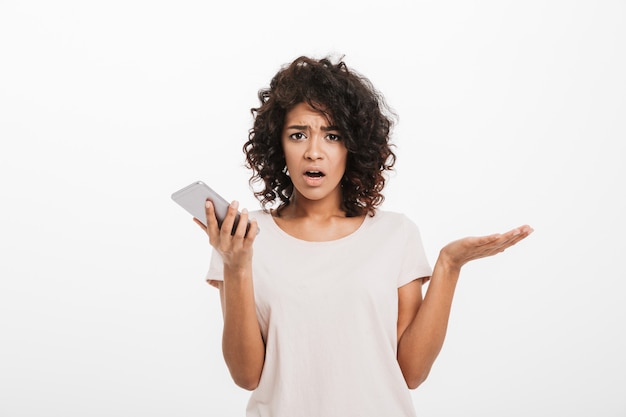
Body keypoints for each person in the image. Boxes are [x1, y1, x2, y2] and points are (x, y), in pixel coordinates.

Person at [193, 55, 533, 417]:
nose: (313, 151)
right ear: (278, 146)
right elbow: (246, 376)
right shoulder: (243, 240)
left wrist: (449, 265)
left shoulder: (395, 234)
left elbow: (412, 372)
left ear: (353, 147)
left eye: (332, 136)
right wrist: (237, 266)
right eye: (298, 135)